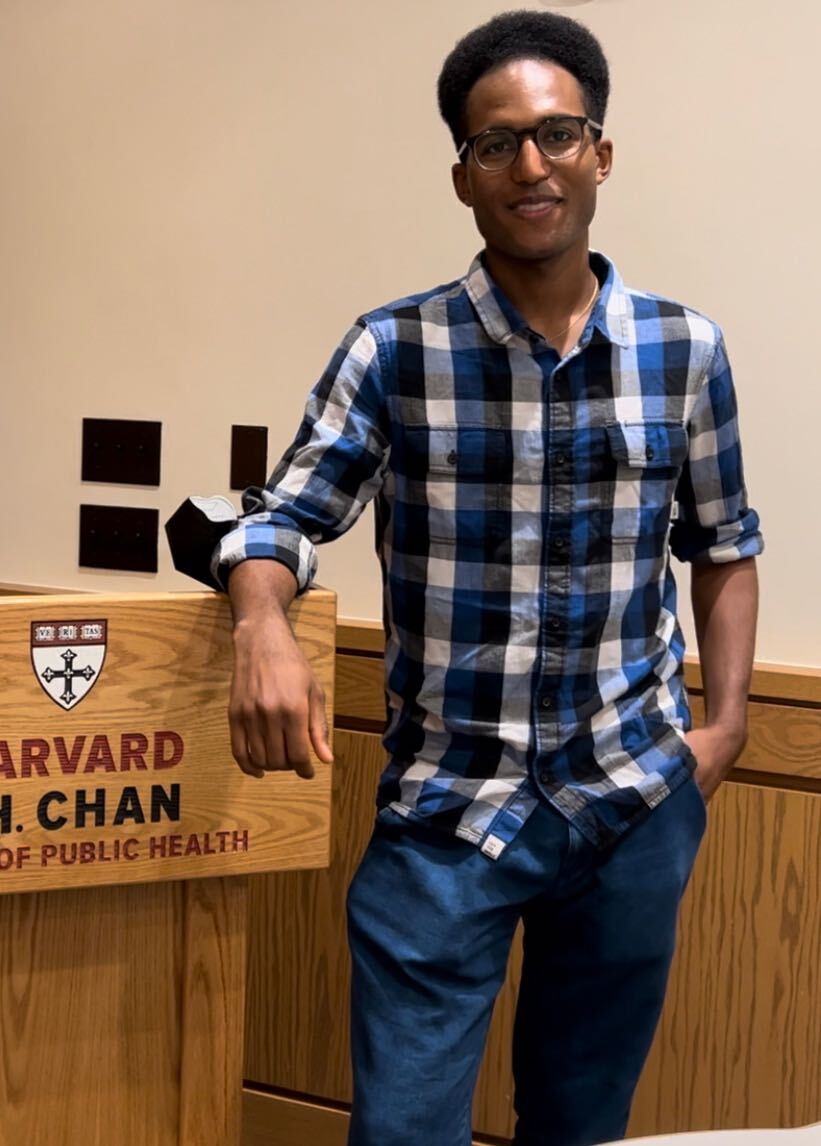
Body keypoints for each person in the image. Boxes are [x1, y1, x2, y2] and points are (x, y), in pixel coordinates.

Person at [210, 10, 762, 1146]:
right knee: (402, 1131)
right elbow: (278, 520)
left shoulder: (686, 351)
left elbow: (724, 543)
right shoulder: (392, 350)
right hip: (445, 817)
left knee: (581, 1124)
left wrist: (729, 727)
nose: (531, 165)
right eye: (497, 143)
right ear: (462, 176)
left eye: (559, 135)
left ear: (601, 154)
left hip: (630, 808)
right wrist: (260, 624)